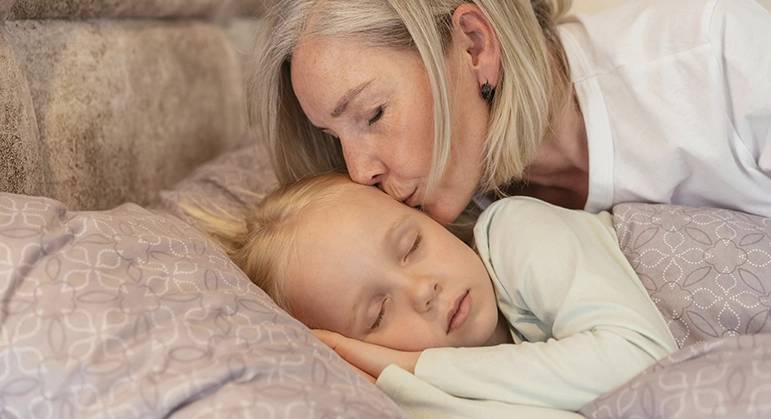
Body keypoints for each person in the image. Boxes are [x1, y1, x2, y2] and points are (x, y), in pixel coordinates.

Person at [250, 0, 771, 228]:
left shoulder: (712, 55)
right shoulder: (461, 230)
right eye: (333, 135)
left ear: (475, 46)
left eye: (372, 113)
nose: (359, 171)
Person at [189, 172, 677, 416]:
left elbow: (644, 367)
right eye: (378, 314)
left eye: (412, 245)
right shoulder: (424, 397)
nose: (422, 290)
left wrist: (415, 366)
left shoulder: (515, 234)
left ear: (427, 216)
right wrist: (401, 381)